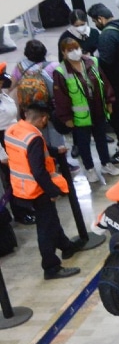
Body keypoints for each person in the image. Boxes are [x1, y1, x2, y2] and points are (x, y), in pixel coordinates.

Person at [4, 102, 79, 279]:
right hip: (37, 189)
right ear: (43, 118)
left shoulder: (13, 130)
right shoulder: (34, 137)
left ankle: (66, 246)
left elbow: (30, 152)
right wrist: (52, 191)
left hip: (21, 187)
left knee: (50, 220)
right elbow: (38, 170)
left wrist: (54, 150)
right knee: (46, 227)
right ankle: (51, 267)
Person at [52, 34, 119, 185]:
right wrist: (66, 118)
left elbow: (105, 83)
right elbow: (61, 97)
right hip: (79, 116)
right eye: (70, 50)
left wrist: (109, 101)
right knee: (83, 144)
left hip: (98, 110)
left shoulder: (92, 62)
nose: (74, 51)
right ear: (63, 53)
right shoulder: (61, 71)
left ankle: (106, 164)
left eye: (76, 48)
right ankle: (89, 169)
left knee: (101, 139)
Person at [88, 5, 119, 162]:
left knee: (118, 118)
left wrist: (93, 60)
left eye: (95, 21)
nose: (95, 24)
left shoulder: (107, 36)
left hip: (116, 84)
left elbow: (106, 62)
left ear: (100, 19)